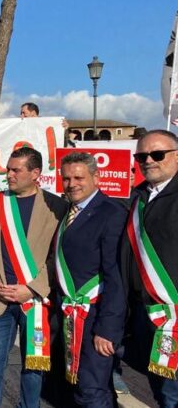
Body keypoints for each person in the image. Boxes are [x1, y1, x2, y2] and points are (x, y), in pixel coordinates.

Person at [0, 146, 68, 408]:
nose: (9, 174)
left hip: (35, 301)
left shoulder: (56, 206)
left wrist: (32, 288)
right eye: (8, 168)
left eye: (16, 170)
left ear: (35, 173)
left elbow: (58, 256)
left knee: (33, 366)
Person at [55, 152, 127, 407]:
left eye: (78, 177)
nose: (71, 183)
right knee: (88, 388)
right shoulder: (70, 210)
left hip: (95, 317)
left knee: (91, 390)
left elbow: (116, 276)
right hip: (72, 316)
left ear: (96, 177)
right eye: (66, 178)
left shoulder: (111, 212)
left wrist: (107, 329)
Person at [121, 130, 178, 407]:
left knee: (171, 393)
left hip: (174, 314)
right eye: (141, 156)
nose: (148, 161)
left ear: (177, 156)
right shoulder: (136, 197)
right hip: (144, 312)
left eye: (157, 154)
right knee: (156, 385)